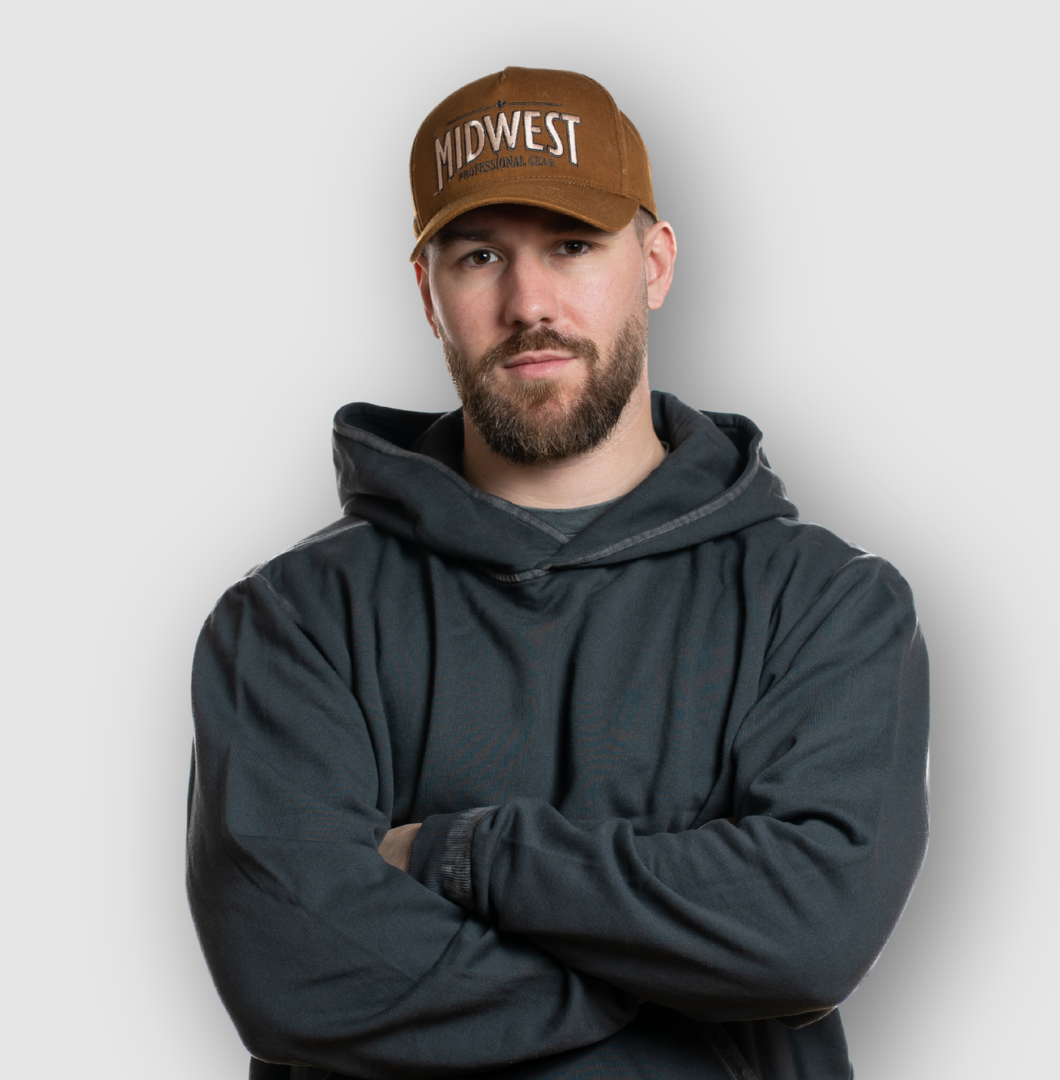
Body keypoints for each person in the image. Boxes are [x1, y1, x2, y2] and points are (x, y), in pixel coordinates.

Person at [186, 67, 929, 1080]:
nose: (528, 302)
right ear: (428, 290)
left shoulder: (827, 605)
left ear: (655, 262)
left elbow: (810, 932)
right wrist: (685, 980)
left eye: (572, 246)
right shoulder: (292, 621)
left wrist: (460, 858)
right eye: (480, 254)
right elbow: (295, 973)